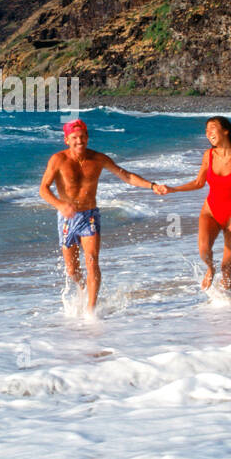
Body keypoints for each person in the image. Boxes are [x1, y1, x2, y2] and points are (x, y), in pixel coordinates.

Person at [39, 118, 168, 314]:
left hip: (90, 215)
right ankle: (83, 288)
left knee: (91, 260)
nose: (79, 141)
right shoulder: (58, 160)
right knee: (72, 270)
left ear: (88, 137)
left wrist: (152, 185)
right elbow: (43, 189)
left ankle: (91, 309)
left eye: (82, 137)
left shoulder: (98, 159)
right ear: (66, 140)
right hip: (66, 218)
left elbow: (126, 176)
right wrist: (60, 204)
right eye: (74, 138)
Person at [159, 116, 231, 291]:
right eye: (206, 130)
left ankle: (228, 306)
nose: (208, 133)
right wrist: (173, 189)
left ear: (225, 130)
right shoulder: (208, 155)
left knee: (227, 268)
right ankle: (210, 268)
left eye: (212, 128)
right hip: (210, 212)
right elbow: (198, 183)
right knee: (204, 251)